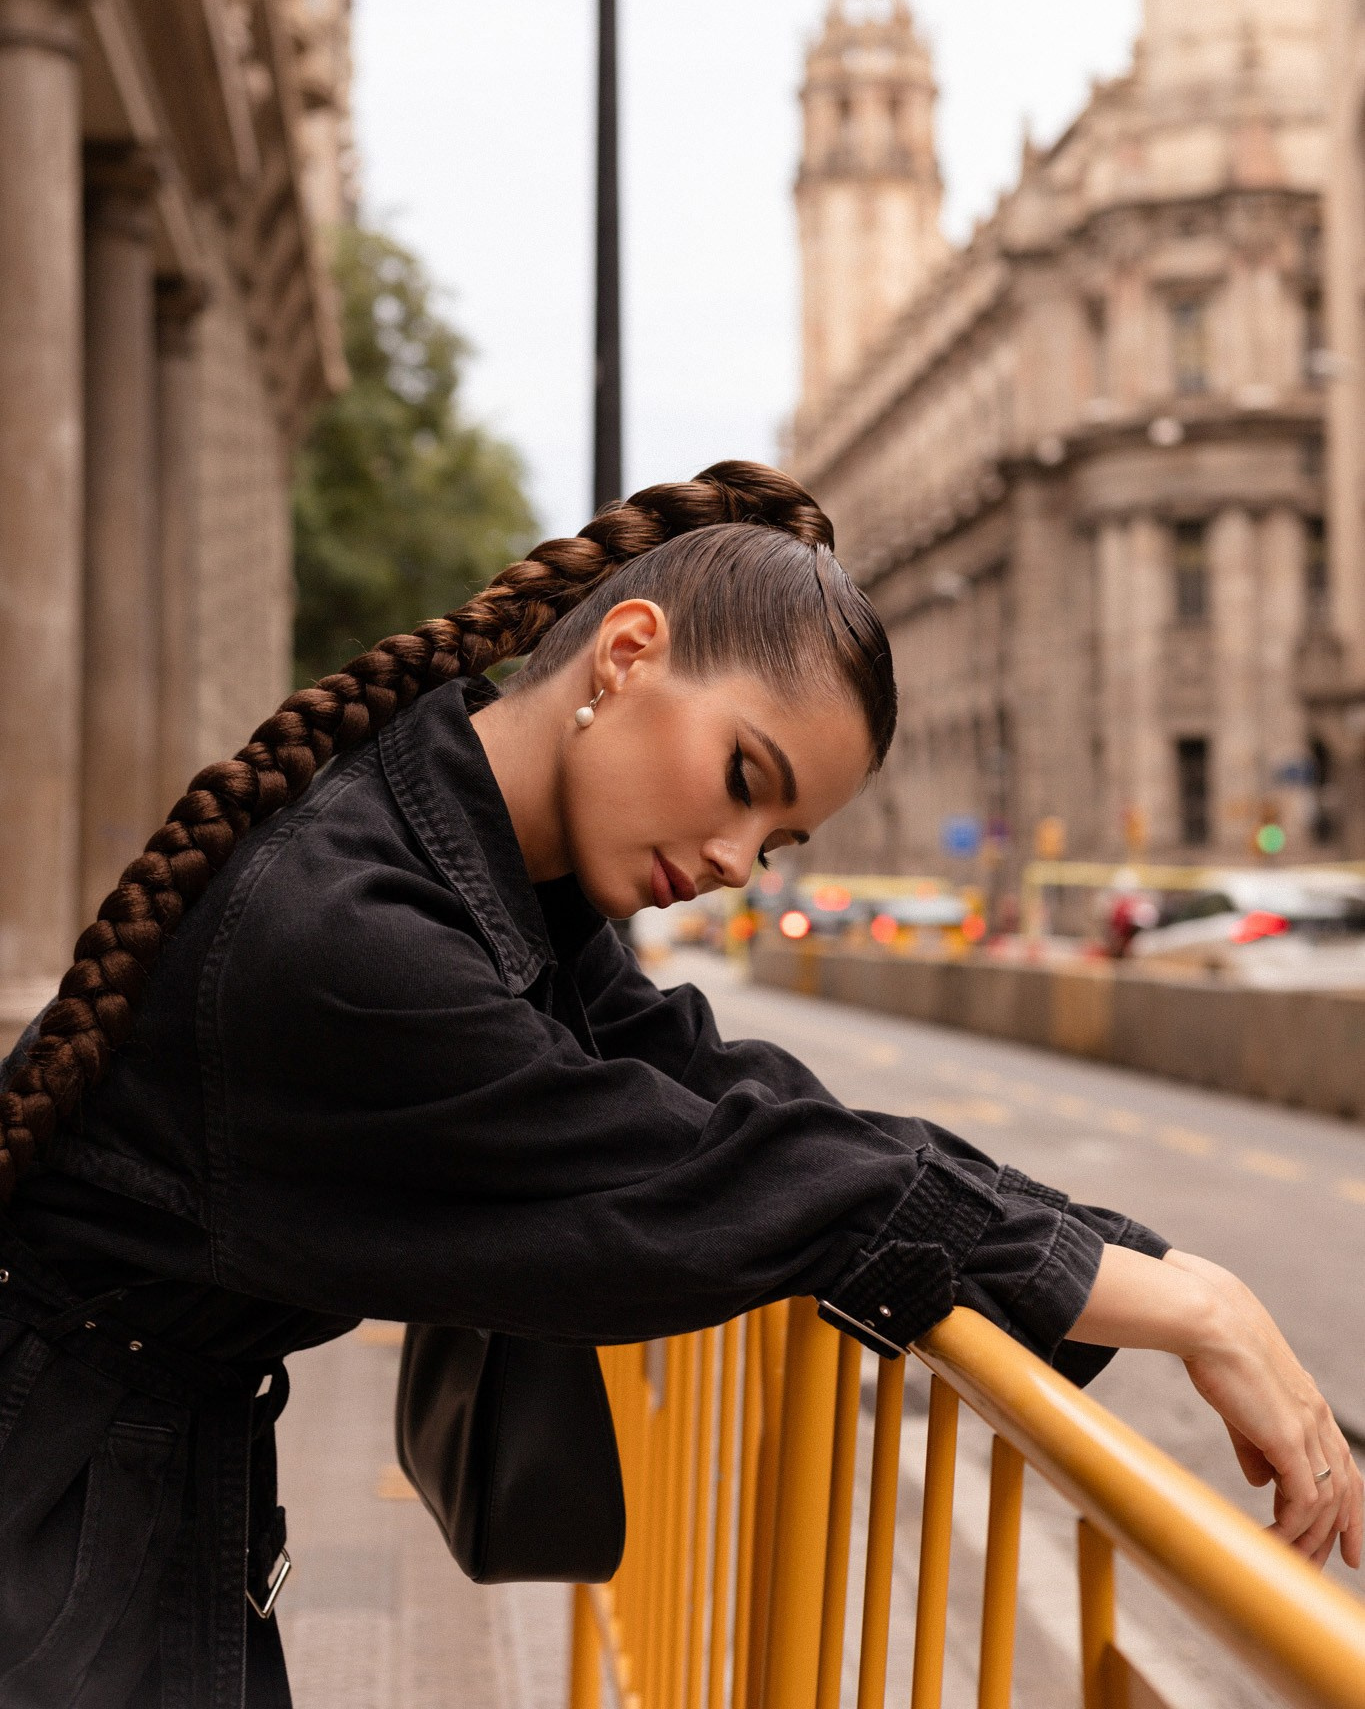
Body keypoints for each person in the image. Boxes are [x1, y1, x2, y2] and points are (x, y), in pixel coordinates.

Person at [0, 462, 1357, 1709]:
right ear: (627, 652)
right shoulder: (355, 940)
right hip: (49, 1493)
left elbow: (734, 1096)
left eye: (777, 838)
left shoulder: (470, 866)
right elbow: (712, 1180)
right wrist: (1183, 1307)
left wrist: (1152, 1261)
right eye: (741, 782)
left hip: (134, 1470)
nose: (731, 857)